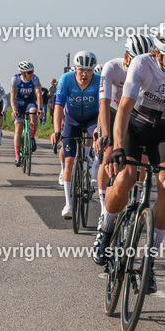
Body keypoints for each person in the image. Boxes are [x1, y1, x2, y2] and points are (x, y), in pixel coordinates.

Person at [99, 22, 165, 292]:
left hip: (164, 131)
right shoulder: (141, 64)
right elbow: (123, 108)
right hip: (135, 126)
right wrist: (118, 148)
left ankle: (149, 262)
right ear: (157, 53)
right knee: (126, 177)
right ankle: (106, 230)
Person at [94, 33, 154, 227]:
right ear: (127, 57)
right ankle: (104, 210)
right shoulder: (112, 67)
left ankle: (135, 200)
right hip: (113, 111)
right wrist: (104, 133)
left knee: (142, 161)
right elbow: (103, 103)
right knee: (108, 155)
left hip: (134, 115)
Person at [52, 52, 100, 219]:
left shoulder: (99, 80)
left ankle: (92, 167)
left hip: (92, 119)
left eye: (89, 70)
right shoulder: (66, 79)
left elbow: (103, 107)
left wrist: (99, 129)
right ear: (74, 68)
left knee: (98, 138)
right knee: (69, 161)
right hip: (72, 120)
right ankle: (68, 203)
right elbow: (58, 106)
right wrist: (57, 130)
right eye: (81, 70)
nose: (85, 74)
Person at [11, 61, 44, 166]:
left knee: (34, 115)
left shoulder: (35, 79)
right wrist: (14, 110)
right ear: (23, 73)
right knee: (18, 127)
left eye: (32, 71)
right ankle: (17, 156)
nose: (31, 74)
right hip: (19, 103)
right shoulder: (16, 79)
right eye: (29, 72)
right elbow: (13, 97)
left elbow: (38, 94)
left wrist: (40, 109)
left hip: (30, 102)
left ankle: (32, 137)